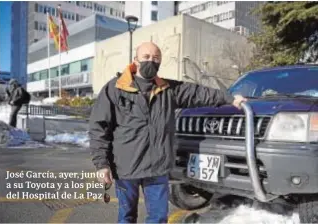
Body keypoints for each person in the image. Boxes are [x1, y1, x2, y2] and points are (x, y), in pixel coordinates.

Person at [89, 42, 247, 223]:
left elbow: (198, 93)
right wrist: (102, 164)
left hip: (157, 168)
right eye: (146, 57)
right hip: (125, 168)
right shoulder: (115, 88)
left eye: (156, 58)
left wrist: (229, 98)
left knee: (158, 218)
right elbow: (98, 128)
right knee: (126, 217)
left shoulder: (168, 89)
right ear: (135, 60)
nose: (151, 61)